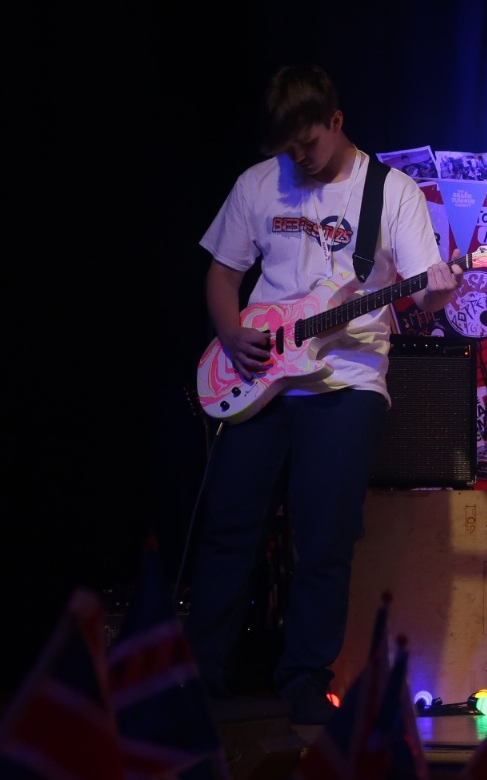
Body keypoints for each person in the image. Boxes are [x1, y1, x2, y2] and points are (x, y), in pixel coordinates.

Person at [186, 64, 461, 723]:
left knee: (324, 536)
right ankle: (200, 674)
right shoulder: (258, 183)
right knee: (228, 525)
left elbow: (423, 289)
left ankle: (305, 679)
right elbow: (222, 275)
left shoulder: (390, 192)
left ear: (336, 122)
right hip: (259, 373)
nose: (300, 158)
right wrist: (230, 334)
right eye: (289, 148)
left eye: (308, 143)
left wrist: (438, 291)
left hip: (347, 379)